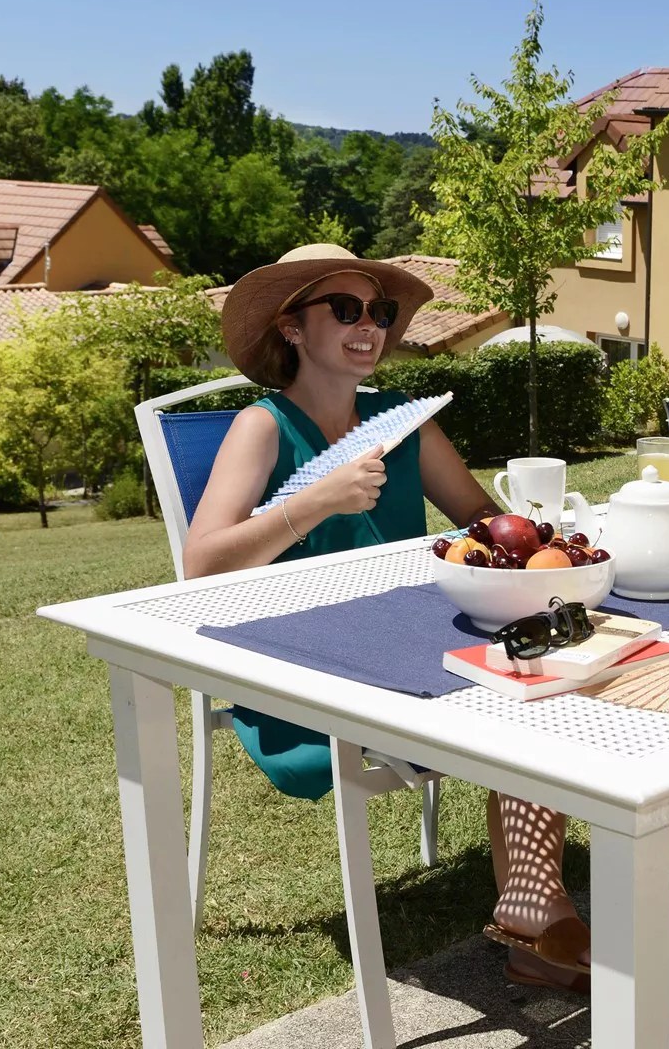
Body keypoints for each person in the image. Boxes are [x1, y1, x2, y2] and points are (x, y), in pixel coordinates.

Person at [184, 243, 590, 992]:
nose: (367, 324)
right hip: (300, 677)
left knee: (536, 675)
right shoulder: (262, 427)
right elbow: (201, 563)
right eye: (343, 309)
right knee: (517, 692)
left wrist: (541, 544)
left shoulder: (403, 425)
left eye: (379, 311)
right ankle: (536, 911)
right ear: (293, 329)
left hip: (408, 649)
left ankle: (534, 907)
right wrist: (314, 503)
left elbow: (486, 524)